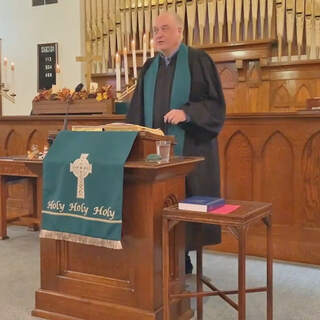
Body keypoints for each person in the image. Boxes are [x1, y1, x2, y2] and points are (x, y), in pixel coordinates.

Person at [126, 12, 226, 273]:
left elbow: (215, 105)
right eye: (155, 30)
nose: (158, 34)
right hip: (154, 155)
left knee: (184, 201)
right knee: (156, 203)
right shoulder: (149, 68)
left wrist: (188, 113)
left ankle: (183, 256)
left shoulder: (198, 60)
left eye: (164, 29)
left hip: (189, 151)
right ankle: (159, 256)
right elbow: (137, 110)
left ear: (179, 31)